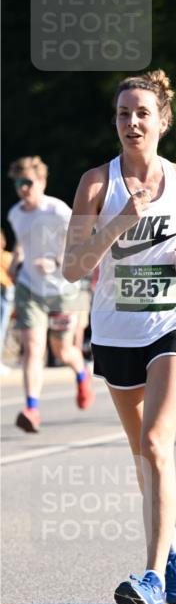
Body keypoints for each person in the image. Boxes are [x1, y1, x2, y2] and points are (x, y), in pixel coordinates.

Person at [63, 69, 176, 604]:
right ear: (116, 122)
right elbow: (73, 267)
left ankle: (150, 577)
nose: (132, 122)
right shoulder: (95, 185)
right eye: (124, 113)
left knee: (156, 440)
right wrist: (118, 223)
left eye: (142, 113)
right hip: (115, 331)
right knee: (143, 459)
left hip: (174, 323)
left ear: (162, 122)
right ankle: (173, 543)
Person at [6, 156, 95, 432]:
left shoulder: (58, 211)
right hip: (30, 287)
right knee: (33, 348)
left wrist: (55, 262)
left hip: (63, 290)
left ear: (42, 182)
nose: (24, 189)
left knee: (63, 350)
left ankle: (81, 375)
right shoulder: (15, 214)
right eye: (19, 183)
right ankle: (31, 409)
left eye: (29, 183)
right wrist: (15, 260)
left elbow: (81, 241)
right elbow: (24, 239)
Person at [0, 229, 15, 373]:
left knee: (2, 328)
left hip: (5, 292)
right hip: (5, 291)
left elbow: (13, 272)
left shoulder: (7, 256)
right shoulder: (7, 257)